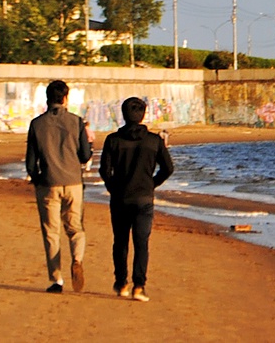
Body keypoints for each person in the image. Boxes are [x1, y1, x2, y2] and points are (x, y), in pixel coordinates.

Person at [99, 97, 173, 302]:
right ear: (143, 115)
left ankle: (121, 283)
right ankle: (139, 287)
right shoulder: (154, 141)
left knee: (120, 241)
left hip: (120, 197)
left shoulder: (113, 140)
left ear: (123, 115)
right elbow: (168, 168)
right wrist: (152, 183)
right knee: (141, 243)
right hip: (143, 198)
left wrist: (113, 187)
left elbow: (104, 170)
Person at [26, 80, 91, 293]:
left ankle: (56, 279)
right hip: (73, 181)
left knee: (51, 232)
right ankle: (77, 259)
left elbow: (30, 161)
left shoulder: (37, 124)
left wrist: (37, 179)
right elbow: (84, 156)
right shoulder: (77, 122)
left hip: (48, 183)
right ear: (65, 98)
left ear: (47, 98)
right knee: (75, 228)